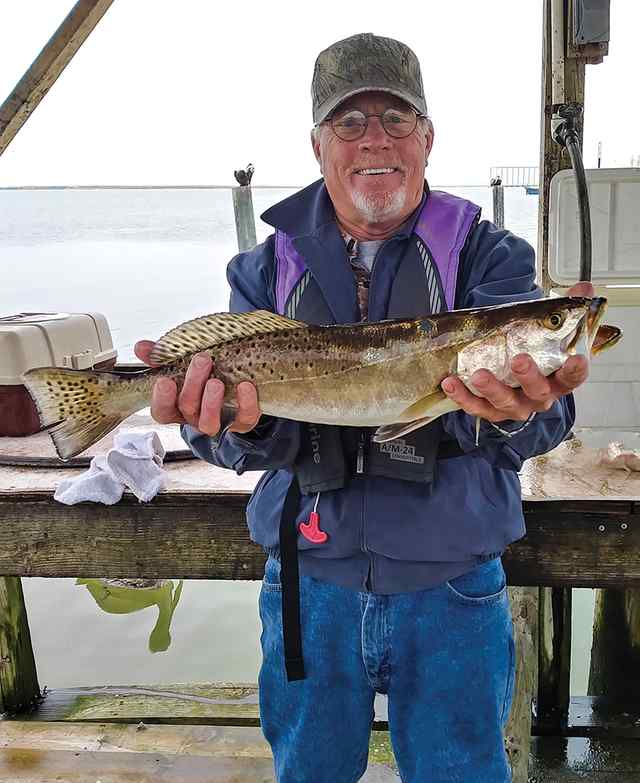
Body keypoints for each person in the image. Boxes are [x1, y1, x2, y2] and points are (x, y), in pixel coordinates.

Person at [135, 32, 593, 783]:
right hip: (307, 578)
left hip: (453, 584)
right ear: (318, 145)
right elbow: (223, 444)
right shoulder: (260, 270)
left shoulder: (491, 258)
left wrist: (520, 408)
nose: (374, 139)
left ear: (428, 138)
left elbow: (547, 421)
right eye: (350, 122)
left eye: (397, 118)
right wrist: (227, 426)